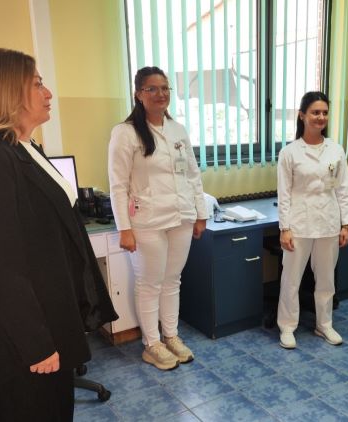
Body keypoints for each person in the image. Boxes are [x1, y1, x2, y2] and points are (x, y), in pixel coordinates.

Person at [0, 48, 118, 421]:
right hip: (21, 340)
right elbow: (1, 269)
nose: (48, 93)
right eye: (38, 84)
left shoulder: (23, 148)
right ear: (8, 91)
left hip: (49, 316)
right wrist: (36, 344)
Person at [108, 66, 208, 370]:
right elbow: (117, 184)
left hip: (181, 216)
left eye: (164, 88)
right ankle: (152, 344)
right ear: (138, 94)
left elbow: (192, 174)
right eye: (151, 89)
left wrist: (200, 213)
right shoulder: (125, 132)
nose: (160, 94)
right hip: (147, 221)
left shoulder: (177, 129)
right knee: (150, 283)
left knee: (172, 280)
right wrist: (124, 229)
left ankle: (171, 336)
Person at [276, 91, 348, 349]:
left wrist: (346, 223)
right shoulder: (289, 152)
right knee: (291, 279)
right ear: (302, 116)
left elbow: (343, 189)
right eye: (315, 112)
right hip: (298, 223)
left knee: (326, 280)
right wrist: (285, 228)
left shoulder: (335, 150)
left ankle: (324, 324)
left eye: (324, 113)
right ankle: (287, 327)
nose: (320, 117)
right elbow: (284, 193)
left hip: (328, 222)